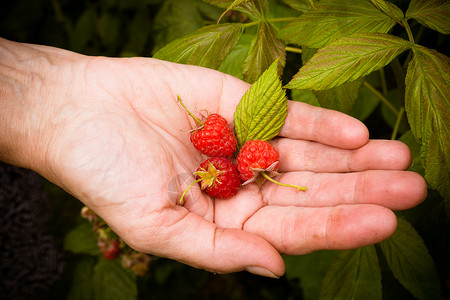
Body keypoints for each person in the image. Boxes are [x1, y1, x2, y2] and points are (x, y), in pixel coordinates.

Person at [0, 37, 427, 279]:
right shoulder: (222, 159)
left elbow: (236, 164)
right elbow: (226, 167)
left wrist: (47, 97)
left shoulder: (234, 156)